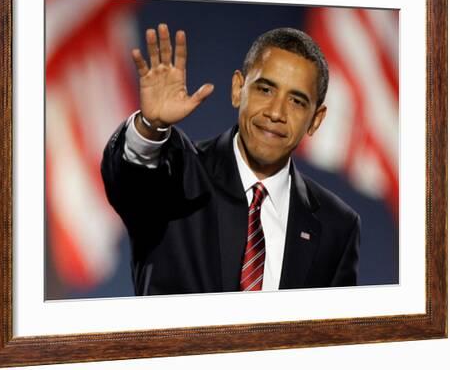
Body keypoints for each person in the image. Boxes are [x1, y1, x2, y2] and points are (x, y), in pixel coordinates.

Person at [101, 23, 361, 296]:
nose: (276, 112)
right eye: (265, 90)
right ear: (238, 89)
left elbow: (333, 332)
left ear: (316, 120)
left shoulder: (338, 225)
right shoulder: (176, 174)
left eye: (296, 101)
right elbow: (129, 178)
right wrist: (150, 127)